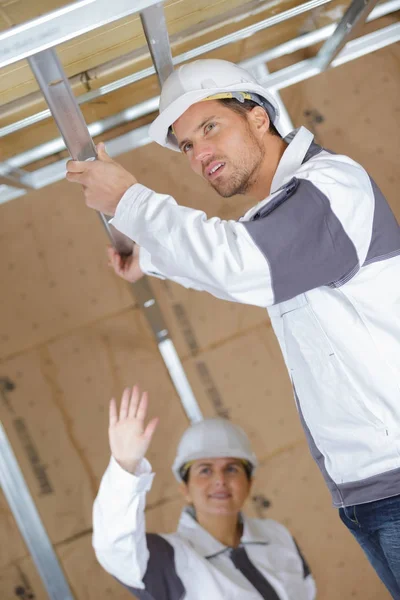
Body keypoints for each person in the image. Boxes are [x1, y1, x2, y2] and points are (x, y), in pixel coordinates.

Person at [67, 59, 400, 597]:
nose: (199, 156)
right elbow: (234, 259)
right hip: (365, 488)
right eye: (186, 147)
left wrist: (130, 201)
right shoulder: (285, 215)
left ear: (259, 119)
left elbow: (242, 265)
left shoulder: (331, 189)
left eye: (209, 128)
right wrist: (147, 259)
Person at [93, 385, 316, 599]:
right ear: (185, 489)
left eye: (231, 468)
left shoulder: (277, 535)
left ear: (249, 483)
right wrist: (125, 467)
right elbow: (115, 548)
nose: (220, 480)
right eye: (205, 470)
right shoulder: (169, 559)